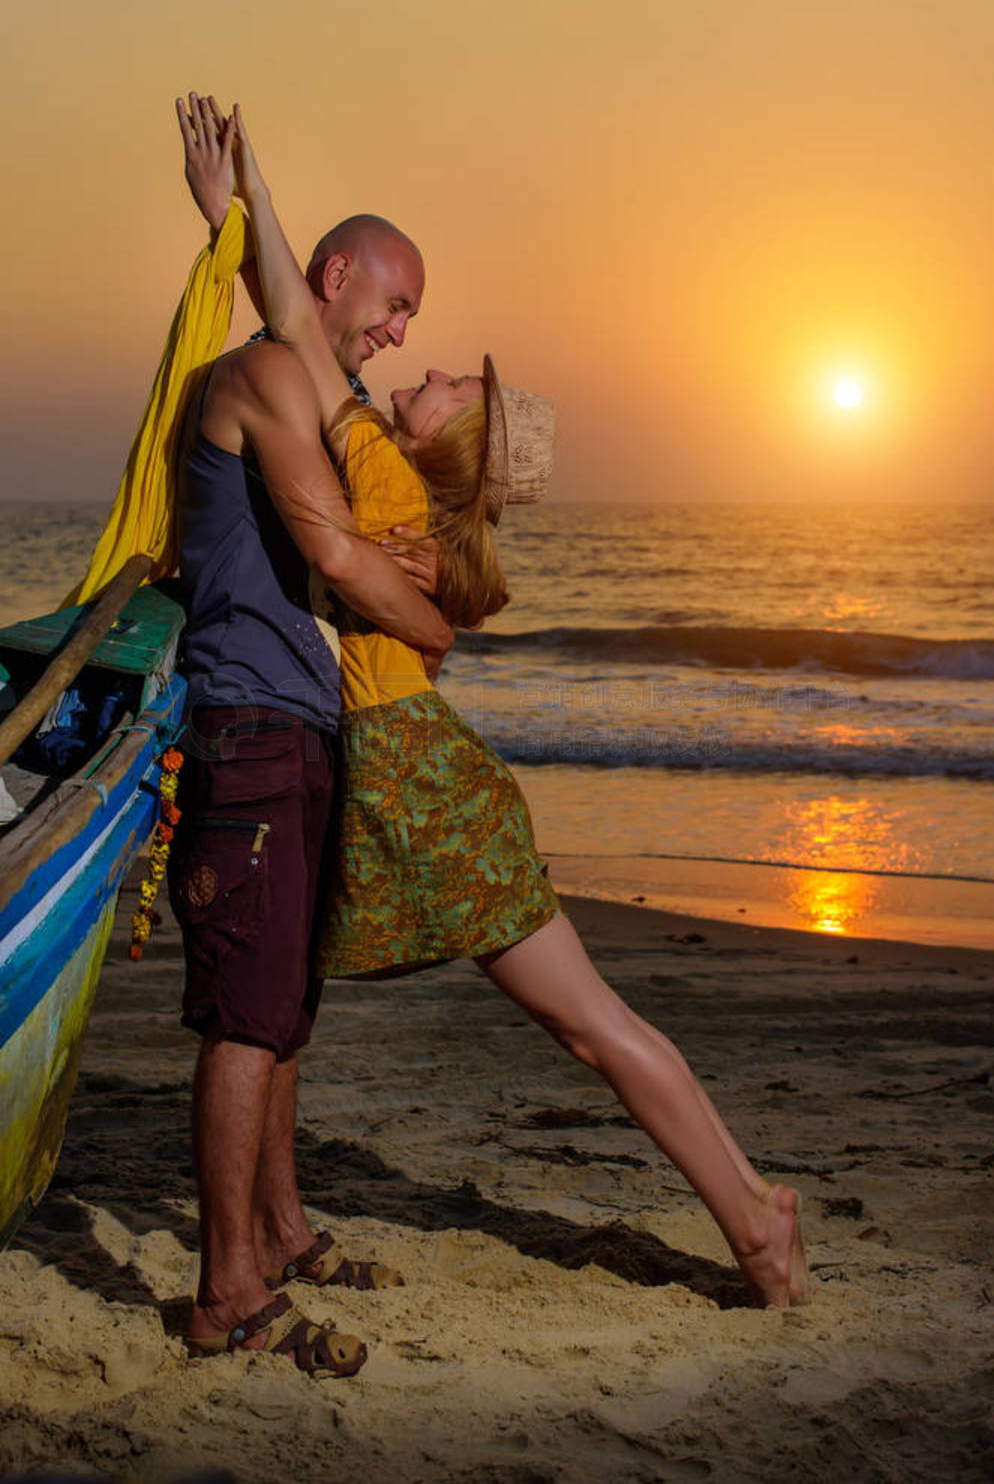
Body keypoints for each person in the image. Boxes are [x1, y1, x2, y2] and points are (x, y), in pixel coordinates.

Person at [180, 95, 810, 1332]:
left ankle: (754, 1218)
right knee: (584, 1024)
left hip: (423, 781)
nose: (435, 363)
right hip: (399, 769)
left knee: (589, 1024)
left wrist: (246, 207)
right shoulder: (373, 456)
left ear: (454, 439)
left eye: (460, 381)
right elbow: (305, 308)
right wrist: (240, 202)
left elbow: (304, 313)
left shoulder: (370, 459)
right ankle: (749, 1213)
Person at [166, 98, 458, 1378]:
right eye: (391, 309)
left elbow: (284, 282)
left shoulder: (309, 370)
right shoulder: (268, 375)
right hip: (249, 725)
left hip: (299, 723)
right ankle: (226, 1286)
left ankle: (278, 1231)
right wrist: (435, 626)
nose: (399, 338)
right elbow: (333, 552)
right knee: (245, 1015)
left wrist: (246, 198)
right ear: (341, 283)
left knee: (285, 1010)